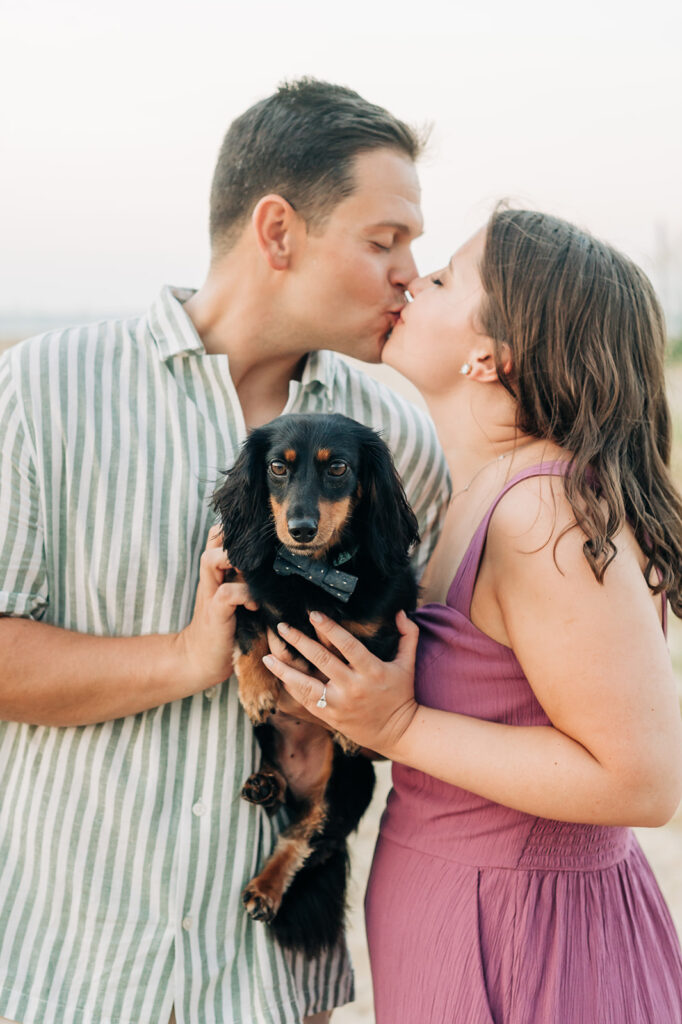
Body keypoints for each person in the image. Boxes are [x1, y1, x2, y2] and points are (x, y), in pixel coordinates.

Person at [0, 79, 450, 1024]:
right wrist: (184, 658)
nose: (413, 271)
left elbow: (428, 661)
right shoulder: (41, 392)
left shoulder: (397, 437)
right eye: (385, 241)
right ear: (278, 232)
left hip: (277, 988)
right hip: (69, 973)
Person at [263, 207, 682, 1022]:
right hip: (458, 909)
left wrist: (399, 728)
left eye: (447, 277)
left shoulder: (541, 514)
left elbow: (643, 780)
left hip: (534, 942)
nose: (414, 280)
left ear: (490, 356)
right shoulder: (474, 495)